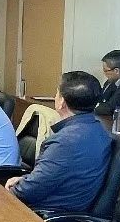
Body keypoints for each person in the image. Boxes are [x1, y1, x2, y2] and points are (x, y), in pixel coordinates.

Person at [7, 71, 111, 214]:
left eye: (57, 93)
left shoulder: (65, 141)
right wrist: (24, 179)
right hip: (65, 206)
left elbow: (29, 191)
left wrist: (12, 191)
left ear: (62, 102)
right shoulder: (99, 130)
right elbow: (52, 175)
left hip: (45, 215)